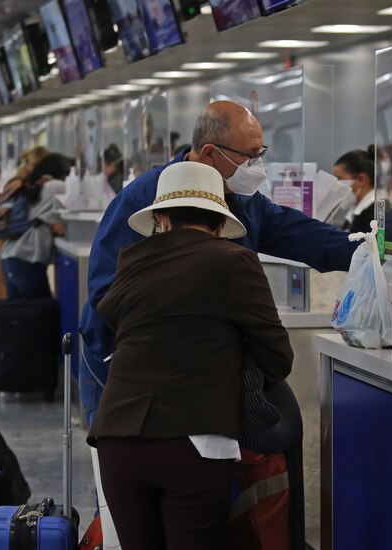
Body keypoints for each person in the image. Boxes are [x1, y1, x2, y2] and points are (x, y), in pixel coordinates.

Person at [78, 100, 358, 542]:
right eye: (251, 155)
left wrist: (366, 248)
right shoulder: (143, 199)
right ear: (210, 155)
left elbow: (299, 233)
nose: (257, 166)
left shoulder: (242, 200)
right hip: (119, 382)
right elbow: (103, 300)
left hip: (134, 427)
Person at [89, 161, 293, 549]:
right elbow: (277, 355)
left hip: (116, 439)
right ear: (220, 223)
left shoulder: (132, 260)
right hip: (192, 442)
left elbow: (109, 312)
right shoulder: (234, 261)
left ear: (161, 219)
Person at [0, 153, 69, 299]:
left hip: (11, 256)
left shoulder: (36, 183)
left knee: (19, 317)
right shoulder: (57, 186)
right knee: (37, 313)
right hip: (27, 258)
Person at [333, 147, 375, 233]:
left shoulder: (373, 214)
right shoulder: (356, 209)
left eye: (340, 179)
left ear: (360, 179)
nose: (336, 185)